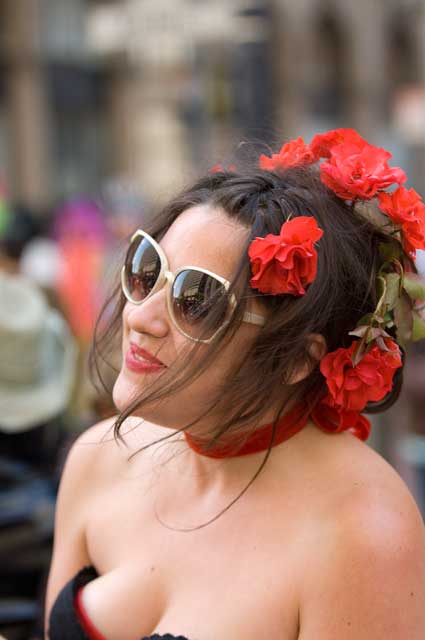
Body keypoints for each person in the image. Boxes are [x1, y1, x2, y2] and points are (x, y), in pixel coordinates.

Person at [45, 129, 425, 640]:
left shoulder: (363, 532)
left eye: (196, 299)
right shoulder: (97, 457)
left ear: (296, 357)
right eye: (146, 268)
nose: (142, 317)